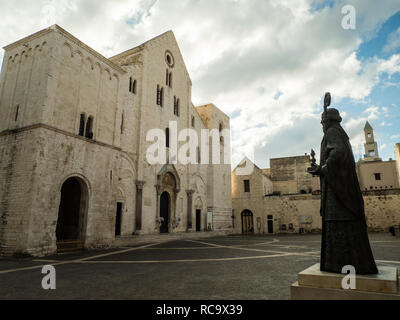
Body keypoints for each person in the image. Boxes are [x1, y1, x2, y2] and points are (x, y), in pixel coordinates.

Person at [308, 107, 378, 275]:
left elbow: (338, 154)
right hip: (338, 190)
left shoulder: (332, 133)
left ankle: (338, 264)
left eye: (322, 122)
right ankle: (354, 264)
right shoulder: (340, 133)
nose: (322, 125)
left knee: (337, 225)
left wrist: (322, 169)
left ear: (328, 121)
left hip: (337, 195)